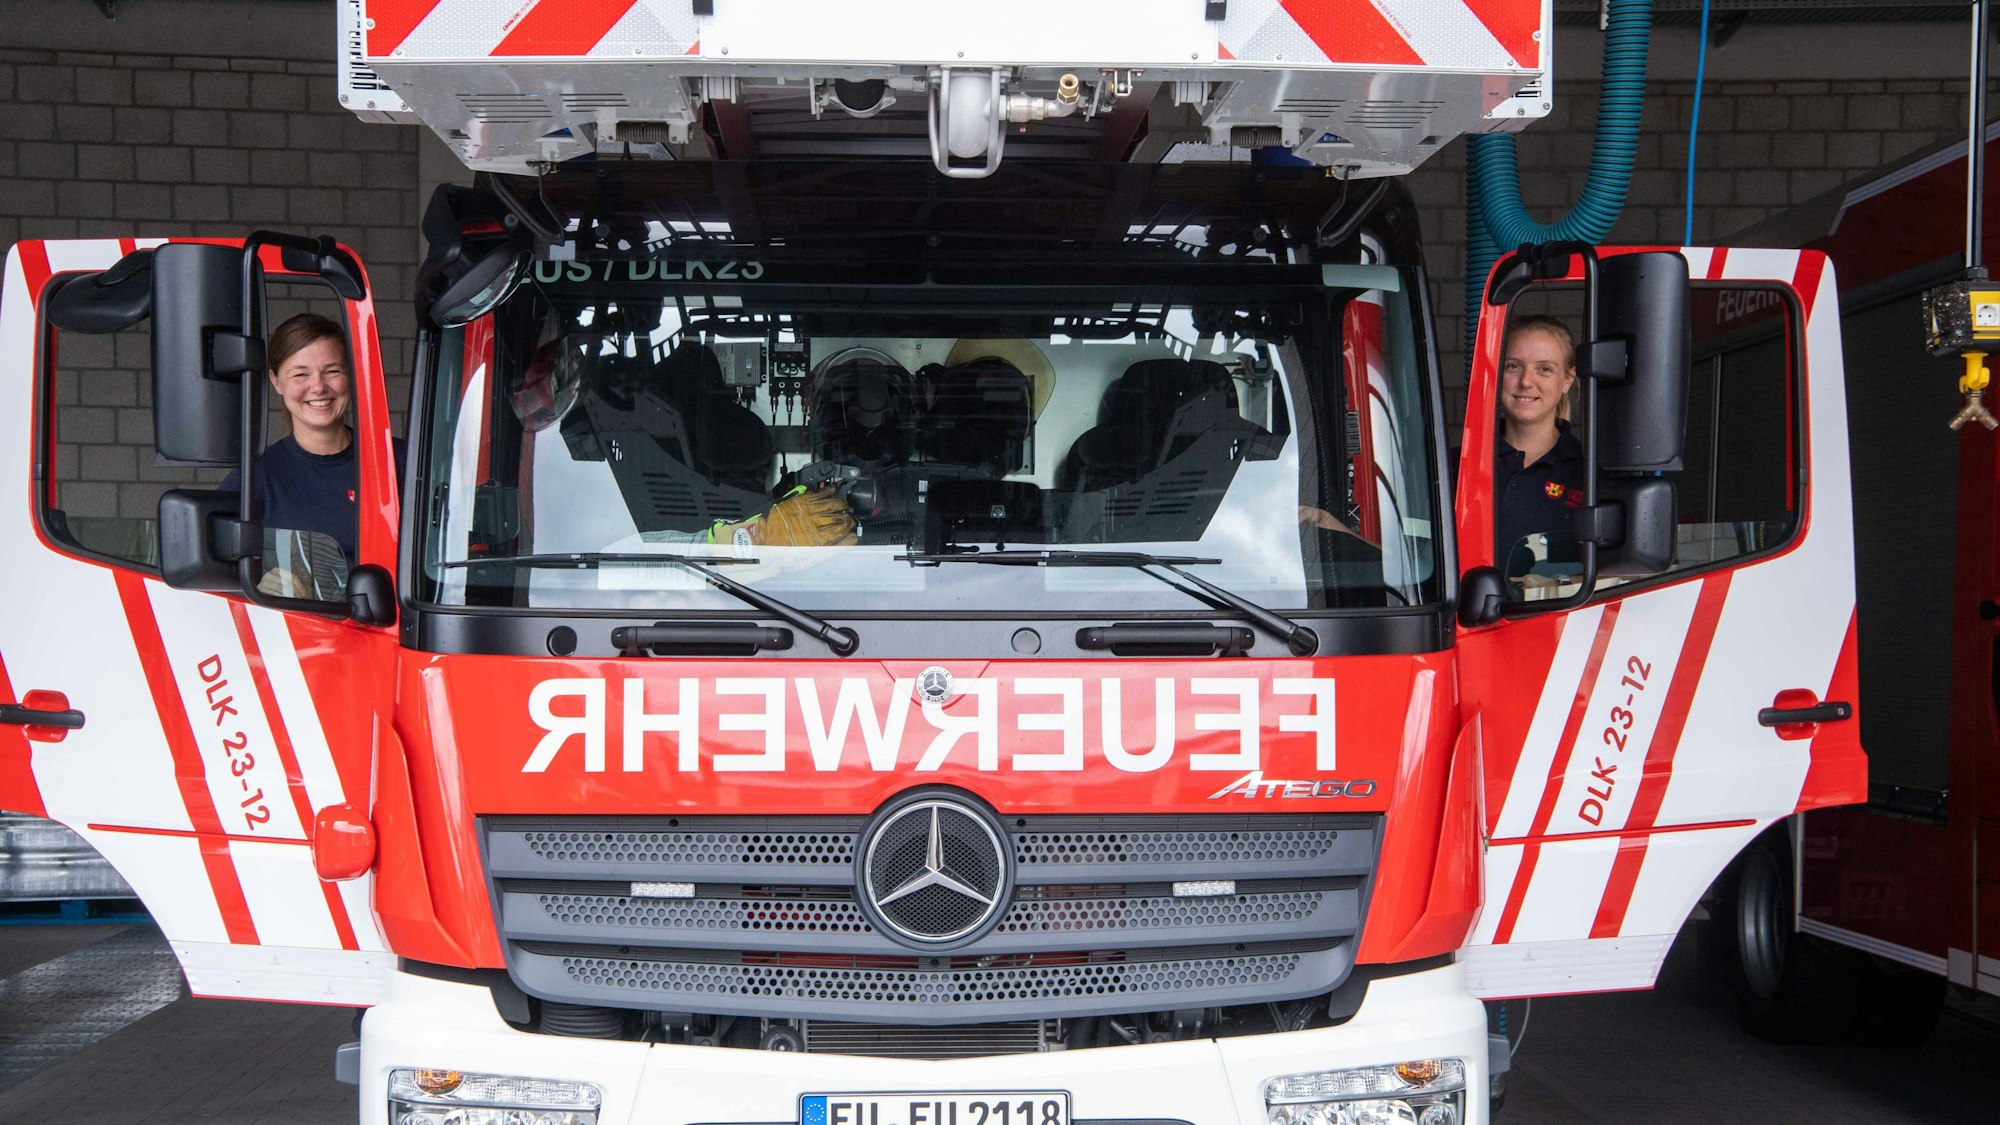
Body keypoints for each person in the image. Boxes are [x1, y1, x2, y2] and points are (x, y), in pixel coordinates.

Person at [222, 313, 394, 595]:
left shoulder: (399, 462)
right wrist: (255, 588)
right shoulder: (257, 476)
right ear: (277, 382)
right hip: (305, 635)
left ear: (350, 375)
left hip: (398, 635)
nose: (318, 387)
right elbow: (216, 570)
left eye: (332, 371)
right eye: (300, 374)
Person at [1494, 314, 1585, 577]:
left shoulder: (1590, 473)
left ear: (1567, 380)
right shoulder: (1457, 465)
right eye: (1513, 366)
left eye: (1544, 369)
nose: (1525, 381)